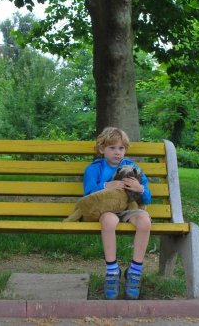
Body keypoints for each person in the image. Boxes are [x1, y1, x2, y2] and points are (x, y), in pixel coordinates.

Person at [83, 127, 152, 300]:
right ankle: (112, 272)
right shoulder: (94, 169)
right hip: (106, 209)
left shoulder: (133, 168)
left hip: (129, 207)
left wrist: (140, 188)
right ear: (101, 149)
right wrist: (106, 186)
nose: (117, 152)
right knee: (108, 222)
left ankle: (134, 272)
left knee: (145, 221)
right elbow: (88, 193)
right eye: (112, 148)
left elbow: (148, 198)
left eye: (121, 148)